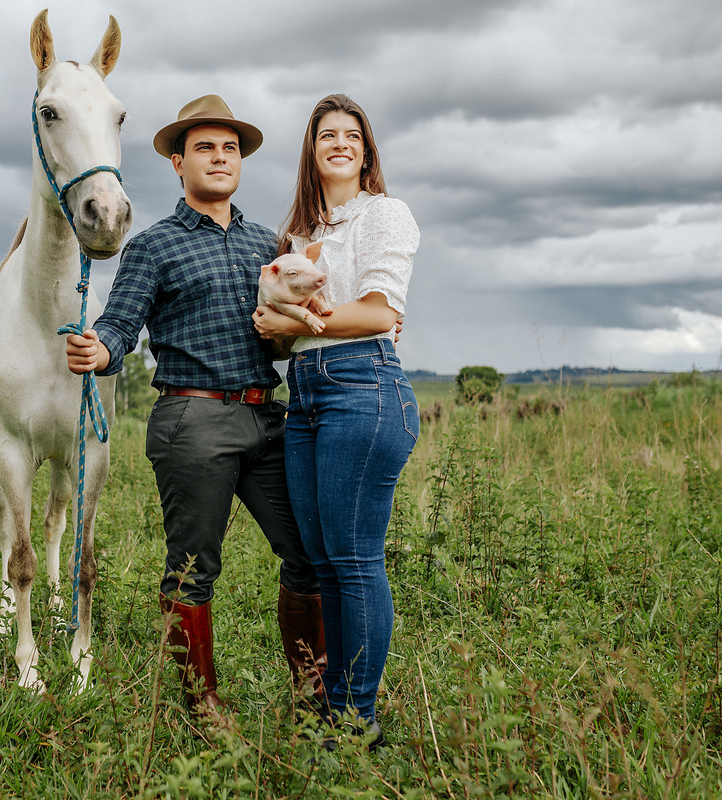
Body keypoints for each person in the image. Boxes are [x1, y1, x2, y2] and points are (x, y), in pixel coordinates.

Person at [65, 95, 326, 727]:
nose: (219, 158)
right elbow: (122, 324)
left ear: (241, 163)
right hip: (194, 420)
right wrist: (100, 348)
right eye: (204, 148)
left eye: (229, 148)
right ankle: (202, 705)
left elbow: (292, 335)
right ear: (178, 163)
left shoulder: (272, 243)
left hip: (268, 418)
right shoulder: (154, 246)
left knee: (308, 554)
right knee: (192, 568)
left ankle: (311, 693)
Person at [252, 94, 421, 749]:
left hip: (364, 384)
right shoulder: (301, 236)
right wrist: (276, 326)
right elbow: (281, 338)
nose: (341, 144)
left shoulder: (385, 215)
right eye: (328, 135)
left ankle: (356, 721)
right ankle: (332, 707)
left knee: (354, 562)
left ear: (366, 151)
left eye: (353, 135)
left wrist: (291, 319)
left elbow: (379, 314)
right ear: (313, 150)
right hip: (308, 396)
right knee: (323, 564)